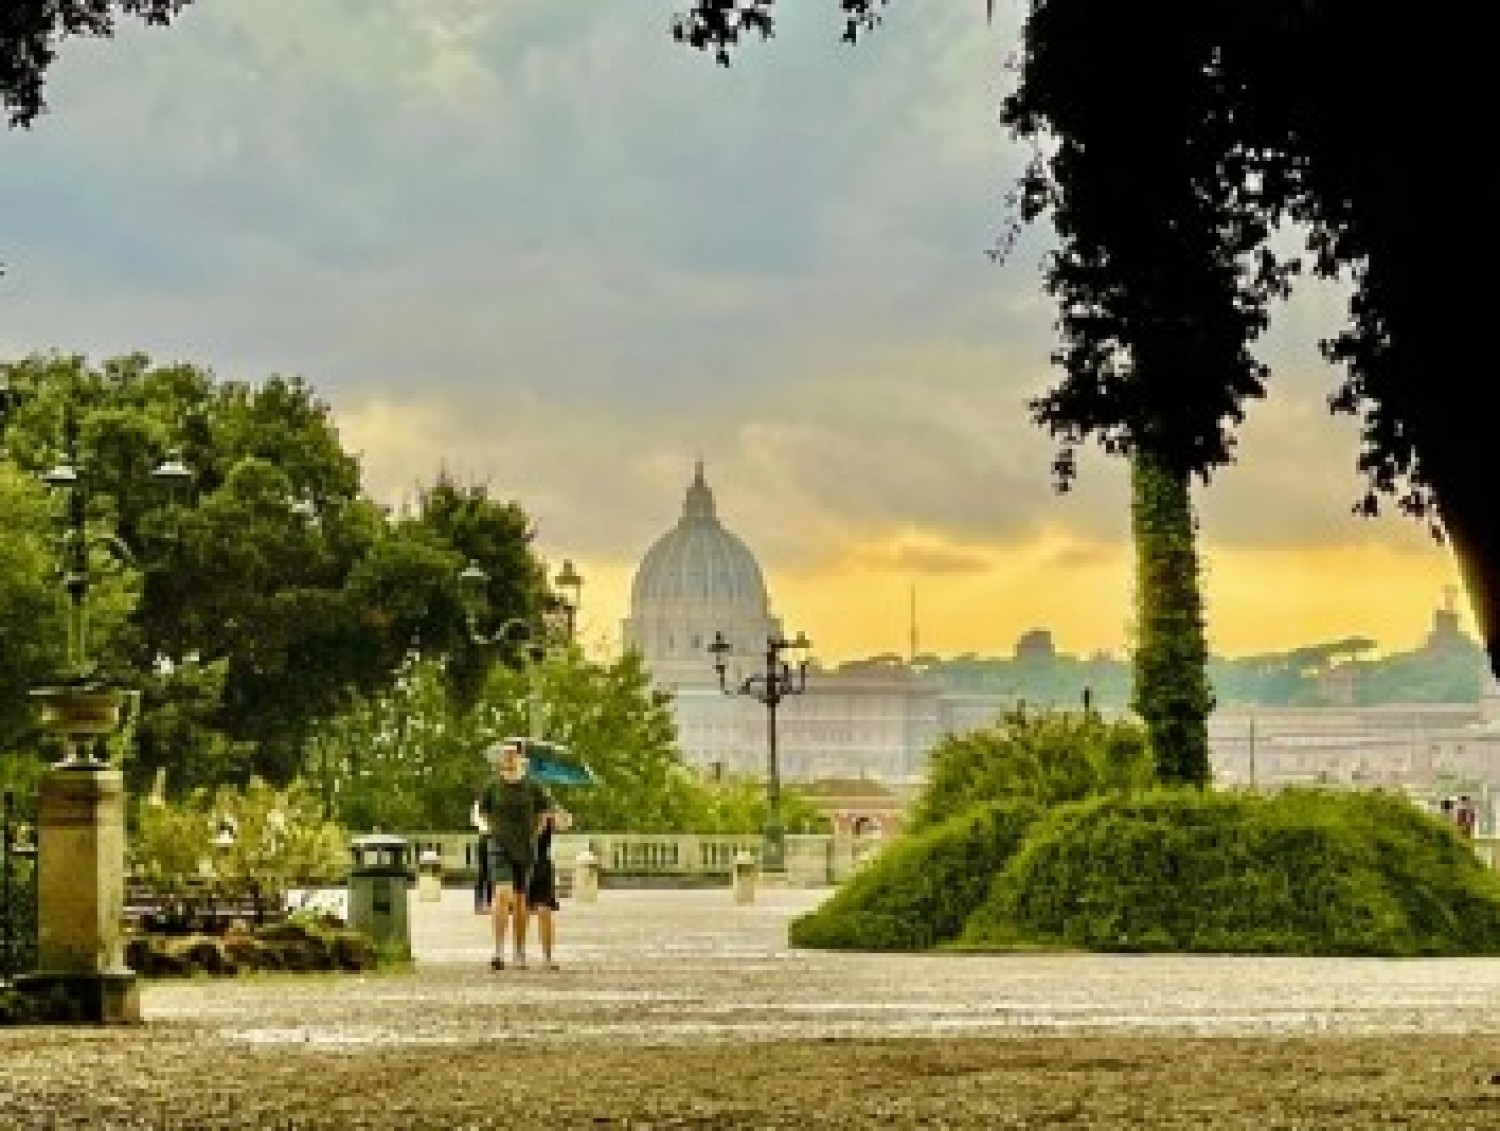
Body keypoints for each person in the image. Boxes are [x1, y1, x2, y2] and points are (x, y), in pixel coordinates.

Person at [476, 741, 554, 970]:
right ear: (500, 760)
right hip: (498, 845)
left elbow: (543, 814)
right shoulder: (492, 786)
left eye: (512, 754)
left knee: (520, 900)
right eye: (504, 754)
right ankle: (498, 951)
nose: (508, 758)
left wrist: (535, 834)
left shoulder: (533, 787)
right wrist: (485, 828)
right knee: (502, 894)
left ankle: (519, 951)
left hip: (525, 848)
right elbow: (480, 812)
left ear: (520, 758)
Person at [525, 805, 573, 970]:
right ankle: (520, 954)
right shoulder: (520, 812)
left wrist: (559, 810)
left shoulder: (547, 811)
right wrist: (540, 825)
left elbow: (566, 824)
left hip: (543, 866)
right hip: (522, 864)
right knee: (523, 912)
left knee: (545, 911)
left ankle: (548, 956)